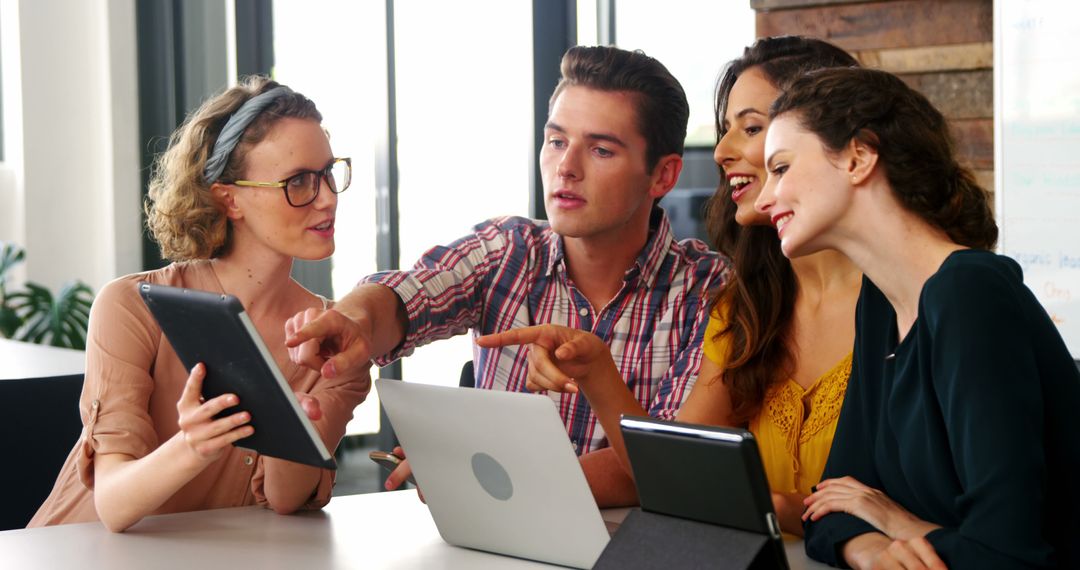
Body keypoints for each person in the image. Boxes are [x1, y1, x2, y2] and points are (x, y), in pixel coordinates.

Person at [285, 45, 729, 504]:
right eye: (556, 141)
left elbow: (667, 464)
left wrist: (479, 476)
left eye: (600, 150)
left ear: (663, 176)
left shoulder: (709, 291)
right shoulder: (508, 250)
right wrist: (355, 320)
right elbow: (409, 292)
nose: (566, 167)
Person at [478, 36, 862, 531]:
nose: (722, 152)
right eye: (556, 141)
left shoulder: (919, 302)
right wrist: (596, 368)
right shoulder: (747, 307)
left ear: (851, 149)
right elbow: (674, 477)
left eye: (750, 128)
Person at [755, 66, 1080, 569]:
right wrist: (873, 552)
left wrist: (896, 522)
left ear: (859, 157)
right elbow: (828, 507)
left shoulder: (969, 293)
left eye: (780, 168)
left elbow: (1006, 556)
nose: (762, 199)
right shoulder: (881, 303)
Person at [28, 77, 371, 532]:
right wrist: (193, 445)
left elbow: (287, 501)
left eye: (329, 173)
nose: (327, 198)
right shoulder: (130, 307)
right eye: (299, 182)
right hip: (74, 554)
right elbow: (111, 503)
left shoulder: (335, 339)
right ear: (229, 199)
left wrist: (289, 422)